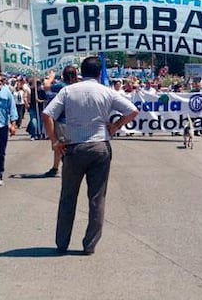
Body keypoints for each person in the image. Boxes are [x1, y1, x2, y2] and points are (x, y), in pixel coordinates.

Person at [43, 56, 139, 255]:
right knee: (97, 198)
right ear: (98, 73)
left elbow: (47, 114)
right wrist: (116, 125)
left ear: (80, 73)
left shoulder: (68, 91)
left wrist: (55, 141)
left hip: (74, 147)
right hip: (99, 145)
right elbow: (132, 110)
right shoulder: (106, 91)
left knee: (68, 197)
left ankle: (62, 243)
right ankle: (89, 244)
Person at [41, 65, 80, 177]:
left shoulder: (62, 86)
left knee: (61, 145)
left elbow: (46, 86)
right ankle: (55, 167)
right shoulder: (77, 85)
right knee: (64, 145)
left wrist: (51, 77)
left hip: (62, 119)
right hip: (74, 118)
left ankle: (70, 168)